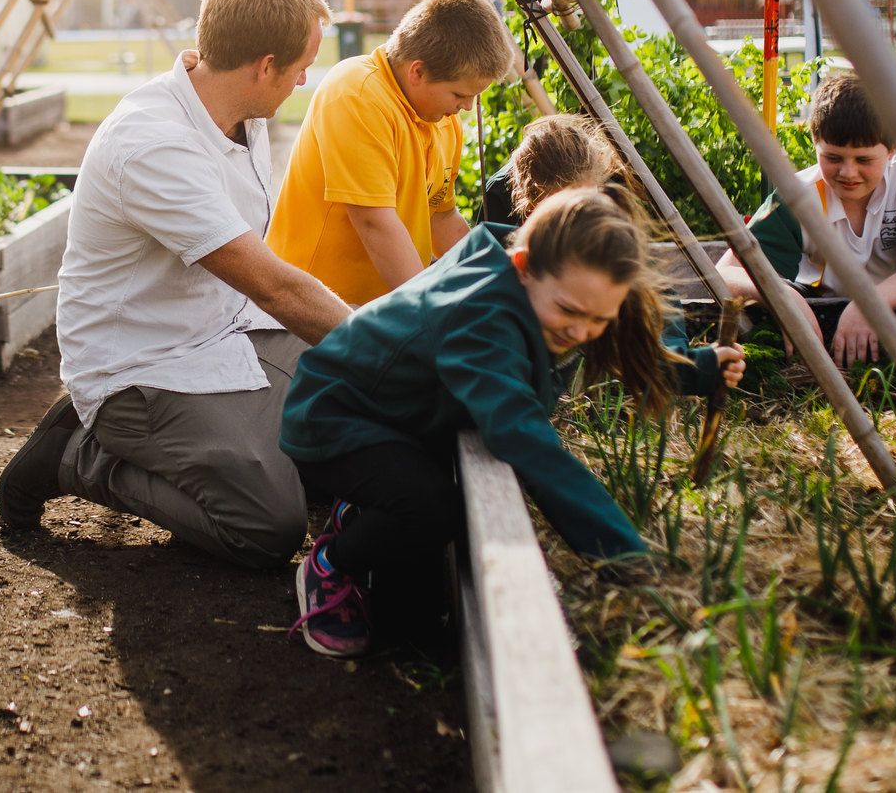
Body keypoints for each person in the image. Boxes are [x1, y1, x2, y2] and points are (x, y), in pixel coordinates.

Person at [0, 0, 353, 570]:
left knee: (343, 406)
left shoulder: (239, 111)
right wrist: (387, 350)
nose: (302, 83)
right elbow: (272, 285)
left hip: (223, 331)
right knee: (268, 527)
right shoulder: (153, 144)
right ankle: (81, 453)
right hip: (144, 366)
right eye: (300, 70)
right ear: (265, 67)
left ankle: (240, 444)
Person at [280, 187, 746, 658]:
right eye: (569, 312)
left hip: (404, 417)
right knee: (432, 508)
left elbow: (624, 344)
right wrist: (622, 555)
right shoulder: (481, 316)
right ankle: (331, 564)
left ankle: (370, 514)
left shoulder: (561, 286)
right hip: (336, 416)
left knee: (413, 621)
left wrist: (701, 369)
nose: (582, 332)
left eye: (597, 319)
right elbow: (524, 441)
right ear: (522, 268)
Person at [268, 0, 516, 305]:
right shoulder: (357, 94)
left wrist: (494, 284)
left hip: (381, 307)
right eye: (459, 95)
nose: (467, 107)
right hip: (313, 306)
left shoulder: (441, 118)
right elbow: (374, 222)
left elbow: (441, 218)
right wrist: (428, 315)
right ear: (418, 72)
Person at [714, 72, 896, 366]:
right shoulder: (798, 197)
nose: (848, 173)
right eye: (833, 158)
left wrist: (868, 306)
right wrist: (782, 296)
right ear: (815, 143)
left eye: (864, 160)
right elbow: (725, 271)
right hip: (828, 327)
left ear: (892, 150)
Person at [479, 112, 624, 228]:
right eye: (561, 210)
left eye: (585, 201)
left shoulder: (609, 187)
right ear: (528, 204)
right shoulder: (498, 199)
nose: (575, 214)